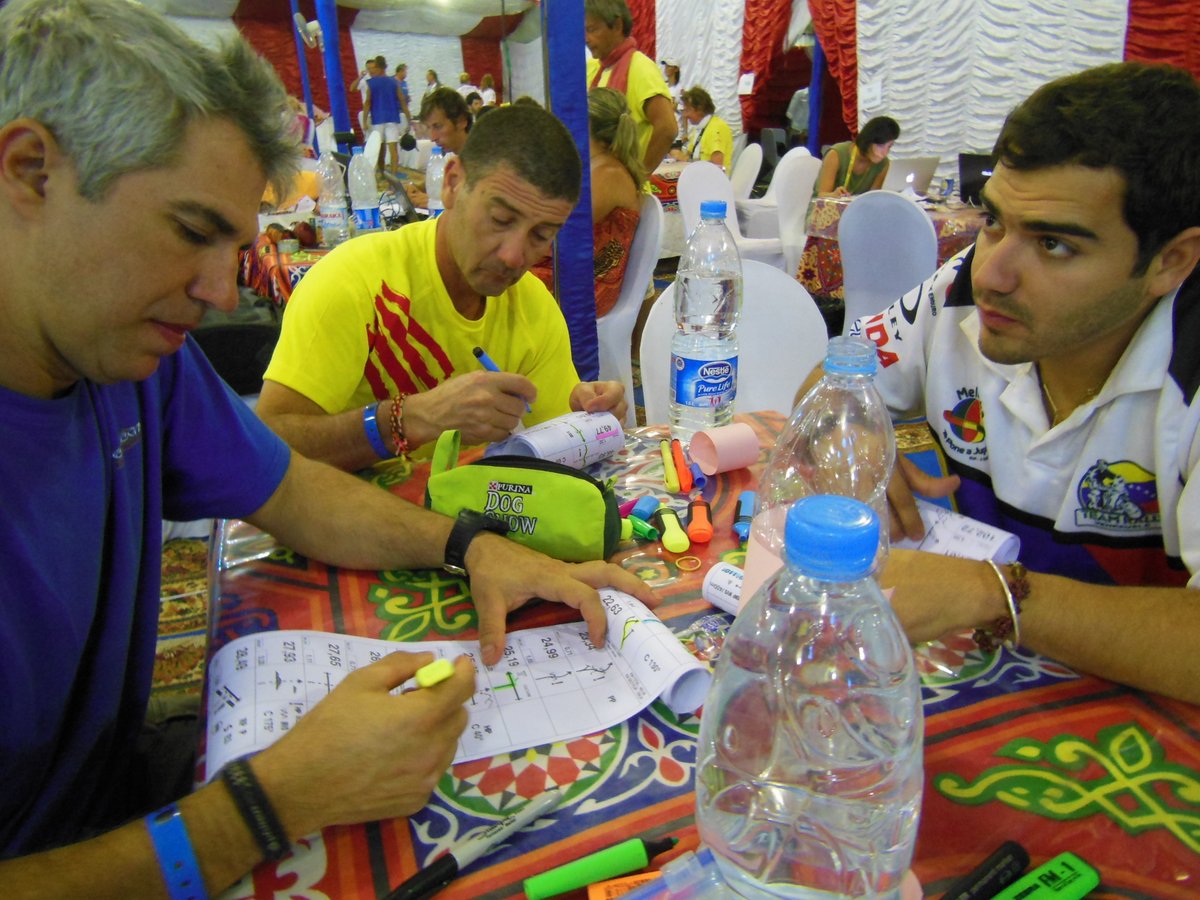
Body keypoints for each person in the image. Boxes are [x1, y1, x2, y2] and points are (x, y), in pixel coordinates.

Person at [0, 0, 657, 889]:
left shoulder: (140, 364)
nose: (218, 293)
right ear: (30, 172)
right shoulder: (195, 327)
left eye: (234, 246)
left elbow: (293, 491)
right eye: (191, 232)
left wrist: (473, 547)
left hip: (118, 791)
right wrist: (267, 804)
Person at [811, 62, 1200, 704]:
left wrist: (990, 592)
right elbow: (828, 384)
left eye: (1054, 245)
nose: (993, 272)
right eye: (993, 221)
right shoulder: (963, 290)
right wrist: (853, 437)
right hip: (988, 696)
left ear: (1171, 261)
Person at [257, 104, 628, 470]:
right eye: (500, 219)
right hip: (349, 517)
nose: (515, 256)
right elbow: (265, 446)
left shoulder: (533, 307)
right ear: (452, 183)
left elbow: (550, 438)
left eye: (541, 235)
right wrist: (410, 419)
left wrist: (586, 423)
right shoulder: (354, 282)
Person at [531, 87, 644, 317]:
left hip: (585, 286)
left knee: (498, 280)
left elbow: (561, 232)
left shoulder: (608, 173)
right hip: (575, 273)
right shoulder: (599, 167)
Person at [584, 0, 677, 173]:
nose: (586, 38)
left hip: (623, 186)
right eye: (584, 31)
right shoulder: (592, 68)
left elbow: (667, 129)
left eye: (592, 29)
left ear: (617, 25)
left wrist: (638, 177)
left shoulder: (641, 68)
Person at [813, 114, 899, 197]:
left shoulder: (883, 164)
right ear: (868, 141)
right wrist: (834, 195)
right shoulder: (836, 154)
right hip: (826, 210)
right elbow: (821, 196)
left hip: (856, 210)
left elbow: (872, 199)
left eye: (889, 147)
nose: (885, 153)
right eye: (880, 145)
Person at [669, 86, 733, 174]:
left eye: (687, 110)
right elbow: (690, 155)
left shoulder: (716, 128)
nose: (684, 115)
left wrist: (686, 159)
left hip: (713, 184)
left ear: (700, 109)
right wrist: (678, 154)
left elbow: (717, 167)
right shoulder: (700, 128)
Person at [363, 57, 405, 173]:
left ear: (377, 67)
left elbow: (367, 103)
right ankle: (394, 177)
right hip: (392, 118)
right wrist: (408, 116)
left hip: (377, 120)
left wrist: (364, 121)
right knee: (393, 151)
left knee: (379, 149)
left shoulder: (371, 83)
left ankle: (381, 173)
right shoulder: (394, 82)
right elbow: (402, 99)